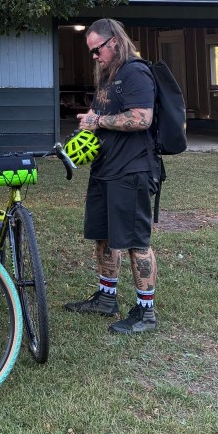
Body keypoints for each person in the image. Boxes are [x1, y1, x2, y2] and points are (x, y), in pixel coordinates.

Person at [64, 18, 161, 334]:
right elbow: (100, 118)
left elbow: (142, 119)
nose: (94, 56)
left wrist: (99, 121)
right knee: (104, 236)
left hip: (131, 170)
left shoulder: (135, 73)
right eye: (92, 51)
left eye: (97, 50)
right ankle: (106, 298)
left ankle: (145, 313)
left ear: (115, 42)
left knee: (135, 241)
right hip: (105, 169)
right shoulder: (110, 76)